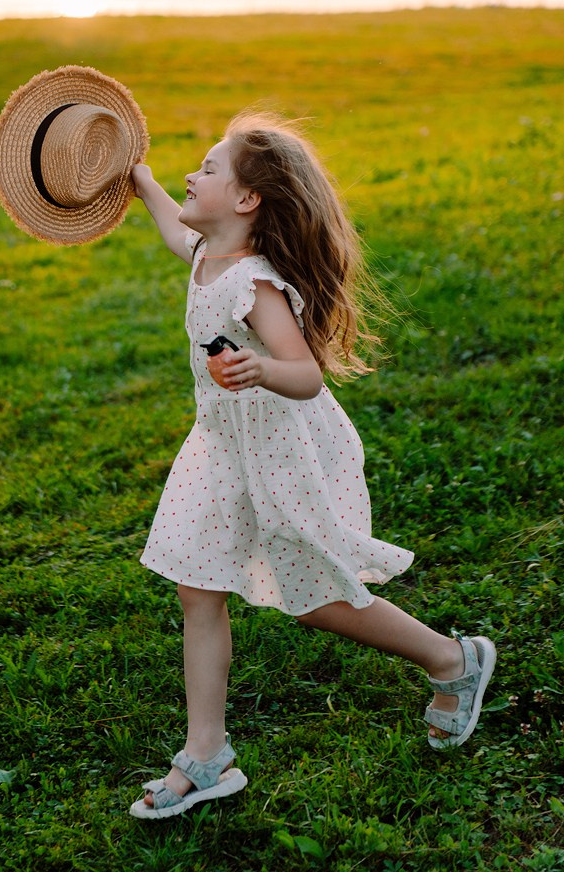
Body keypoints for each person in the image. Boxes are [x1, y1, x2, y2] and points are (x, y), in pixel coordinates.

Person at [128, 113, 496, 821]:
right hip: (219, 447)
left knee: (315, 596)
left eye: (206, 168)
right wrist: (139, 181)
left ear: (245, 202)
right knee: (196, 585)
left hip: (274, 449)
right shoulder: (208, 253)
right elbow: (177, 234)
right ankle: (206, 754)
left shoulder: (256, 284)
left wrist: (259, 366)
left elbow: (305, 376)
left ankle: (453, 660)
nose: (189, 176)